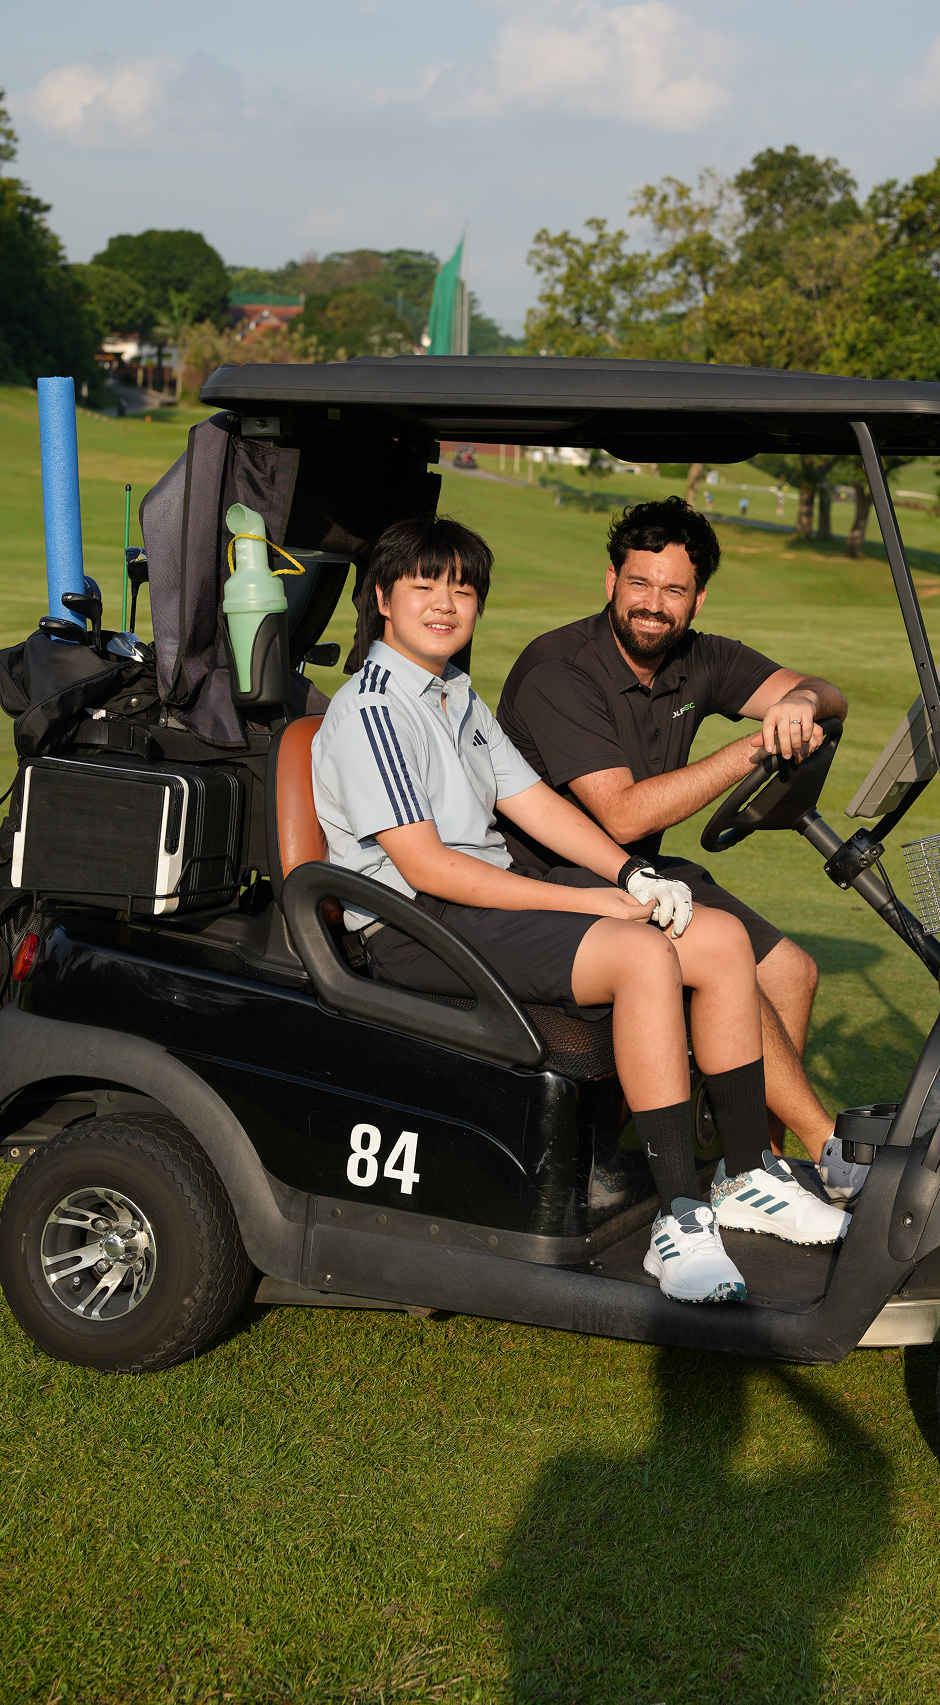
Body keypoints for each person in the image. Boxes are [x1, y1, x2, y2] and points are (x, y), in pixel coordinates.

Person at [311, 515, 845, 1307]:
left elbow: (534, 805)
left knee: (718, 936)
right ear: (383, 598)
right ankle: (680, 1219)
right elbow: (427, 867)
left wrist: (631, 877)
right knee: (643, 955)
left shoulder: (454, 693)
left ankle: (747, 1176)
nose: (445, 604)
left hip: (474, 908)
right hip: (412, 925)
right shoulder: (377, 708)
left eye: (462, 588)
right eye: (423, 586)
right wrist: (586, 899)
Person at [496, 496, 862, 1199]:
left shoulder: (699, 659)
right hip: (555, 883)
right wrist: (756, 744)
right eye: (639, 583)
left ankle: (753, 1170)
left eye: (674, 590)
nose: (653, 605)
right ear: (611, 582)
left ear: (697, 599)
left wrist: (803, 704)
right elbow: (624, 816)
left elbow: (827, 691)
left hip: (641, 877)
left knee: (791, 972)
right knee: (720, 946)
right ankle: (823, 1149)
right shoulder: (560, 671)